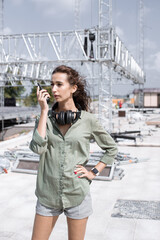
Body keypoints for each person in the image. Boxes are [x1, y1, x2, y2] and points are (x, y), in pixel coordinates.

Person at [29, 65, 118, 240]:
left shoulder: (88, 120)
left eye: (59, 84)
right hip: (48, 195)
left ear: (73, 88)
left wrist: (93, 172)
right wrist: (44, 111)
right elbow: (38, 148)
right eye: (52, 84)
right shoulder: (45, 119)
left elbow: (111, 148)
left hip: (77, 193)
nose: (53, 89)